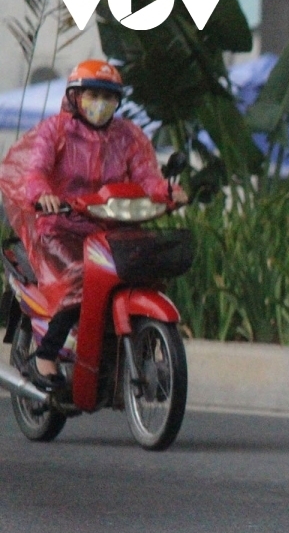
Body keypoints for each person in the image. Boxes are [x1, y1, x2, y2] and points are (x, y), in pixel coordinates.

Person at [0, 59, 187, 388]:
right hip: (61, 228)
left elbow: (148, 177)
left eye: (108, 97)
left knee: (144, 271)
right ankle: (46, 356)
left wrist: (168, 192)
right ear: (75, 97)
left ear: (118, 102)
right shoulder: (55, 131)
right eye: (92, 95)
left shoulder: (129, 137)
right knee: (81, 280)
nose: (100, 104)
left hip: (114, 229)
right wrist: (44, 195)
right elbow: (36, 171)